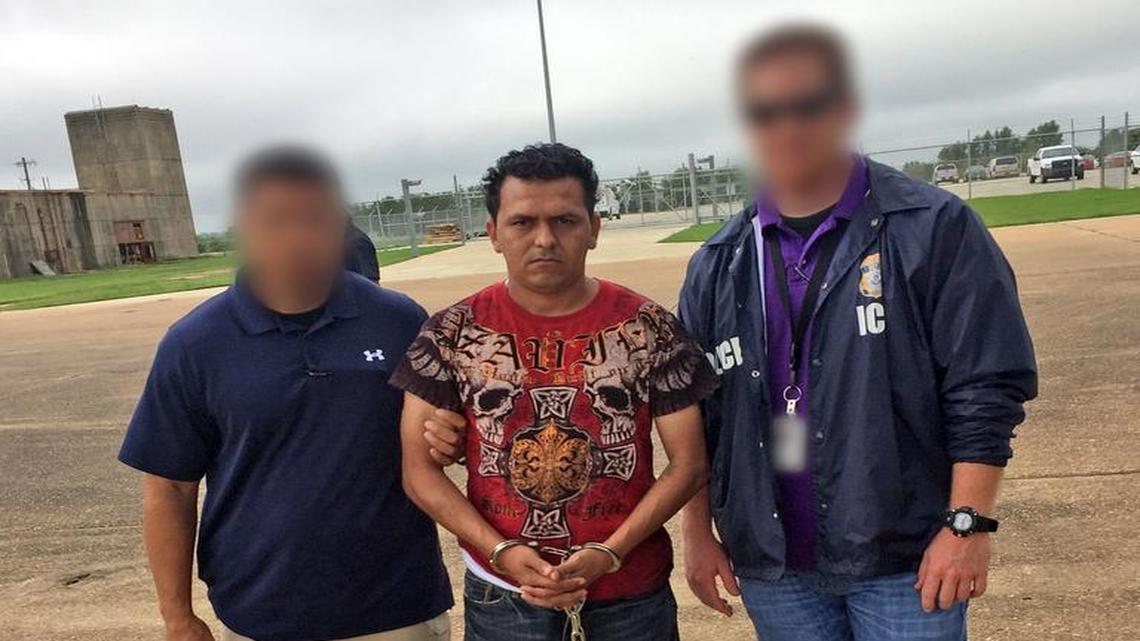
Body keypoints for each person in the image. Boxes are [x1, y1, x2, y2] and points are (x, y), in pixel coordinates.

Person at [678, 24, 1038, 641]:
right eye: (765, 112)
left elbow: (985, 385)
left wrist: (968, 526)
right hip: (775, 566)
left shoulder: (934, 227)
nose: (787, 126)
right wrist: (697, 533)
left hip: (903, 559)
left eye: (807, 105)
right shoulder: (719, 259)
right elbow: (692, 413)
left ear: (844, 109)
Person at [118, 146, 463, 641]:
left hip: (397, 609)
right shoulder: (194, 344)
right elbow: (170, 487)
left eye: (315, 219)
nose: (298, 237)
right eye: (276, 220)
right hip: (261, 613)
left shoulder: (399, 320)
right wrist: (177, 615)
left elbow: (448, 436)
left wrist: (450, 439)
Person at [392, 143, 718, 641]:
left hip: (630, 591)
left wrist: (611, 551)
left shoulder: (649, 328)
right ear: (493, 234)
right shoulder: (451, 333)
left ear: (594, 229)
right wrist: (500, 551)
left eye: (565, 221)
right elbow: (418, 471)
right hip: (502, 595)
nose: (544, 239)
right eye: (523, 222)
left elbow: (689, 462)